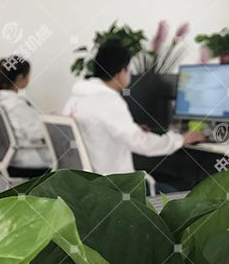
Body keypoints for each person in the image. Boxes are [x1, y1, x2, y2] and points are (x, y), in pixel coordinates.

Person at [62, 41, 205, 176]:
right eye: (128, 70)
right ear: (120, 73)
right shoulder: (109, 100)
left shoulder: (76, 97)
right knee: (179, 187)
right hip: (112, 185)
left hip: (83, 183)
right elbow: (142, 144)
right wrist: (181, 139)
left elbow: (98, 130)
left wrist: (132, 129)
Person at [0, 56, 53, 170]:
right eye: (28, 76)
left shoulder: (1, 100)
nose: (28, 79)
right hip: (27, 157)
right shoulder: (16, 104)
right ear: (20, 77)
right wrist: (52, 124)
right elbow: (36, 134)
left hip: (11, 156)